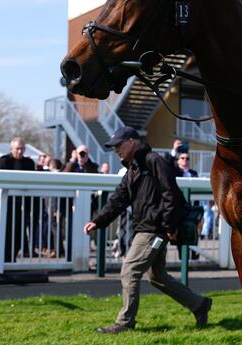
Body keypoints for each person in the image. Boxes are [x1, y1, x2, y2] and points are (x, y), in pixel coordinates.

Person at [84, 126, 211, 334]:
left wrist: (169, 226)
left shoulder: (154, 161)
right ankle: (199, 304)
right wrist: (98, 221)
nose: (115, 150)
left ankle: (125, 322)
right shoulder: (132, 169)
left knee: (129, 270)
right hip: (148, 227)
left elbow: (171, 194)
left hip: (154, 229)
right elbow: (118, 199)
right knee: (157, 276)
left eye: (118, 145)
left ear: (131, 142)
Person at [0, 137, 36, 262]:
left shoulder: (29, 163)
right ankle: (5, 259)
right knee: (6, 232)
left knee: (20, 233)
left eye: (22, 149)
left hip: (22, 204)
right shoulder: (4, 161)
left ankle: (12, 257)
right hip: (6, 203)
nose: (20, 151)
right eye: (17, 149)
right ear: (11, 149)